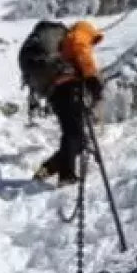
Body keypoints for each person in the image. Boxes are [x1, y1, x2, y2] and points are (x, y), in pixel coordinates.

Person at [30, 20, 104, 187]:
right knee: (73, 135)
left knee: (79, 140)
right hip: (68, 87)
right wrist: (92, 77)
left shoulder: (60, 43)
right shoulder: (82, 30)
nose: (92, 44)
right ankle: (66, 176)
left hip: (56, 91)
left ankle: (44, 171)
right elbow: (81, 48)